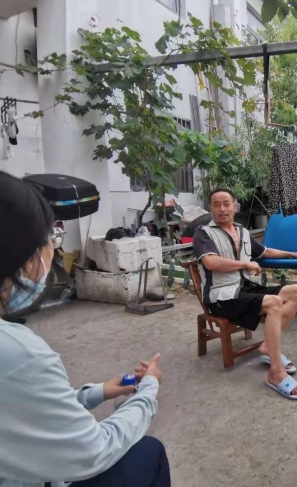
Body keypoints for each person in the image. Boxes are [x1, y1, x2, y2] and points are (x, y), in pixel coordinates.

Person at [0, 171, 170, 487]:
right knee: (148, 451)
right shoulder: (20, 353)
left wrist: (100, 391)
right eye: (51, 238)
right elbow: (94, 451)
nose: (52, 249)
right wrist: (148, 390)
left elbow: (34, 405)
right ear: (24, 256)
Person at [192, 188, 297, 400]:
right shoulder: (203, 233)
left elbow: (264, 251)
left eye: (226, 204)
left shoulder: (242, 231)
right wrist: (245, 264)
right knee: (274, 303)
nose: (222, 209)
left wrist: (292, 254)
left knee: (296, 291)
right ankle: (276, 373)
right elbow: (211, 262)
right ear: (210, 209)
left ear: (234, 206)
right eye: (217, 205)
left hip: (244, 288)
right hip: (220, 296)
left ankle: (267, 347)